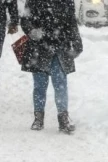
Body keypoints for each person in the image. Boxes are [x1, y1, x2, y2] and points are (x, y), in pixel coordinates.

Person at [20, 0, 82, 133]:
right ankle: (38, 117)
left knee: (60, 83)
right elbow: (25, 20)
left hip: (59, 47)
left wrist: (77, 43)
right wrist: (32, 31)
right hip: (38, 48)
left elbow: (71, 22)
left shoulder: (66, 2)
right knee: (40, 85)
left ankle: (63, 118)